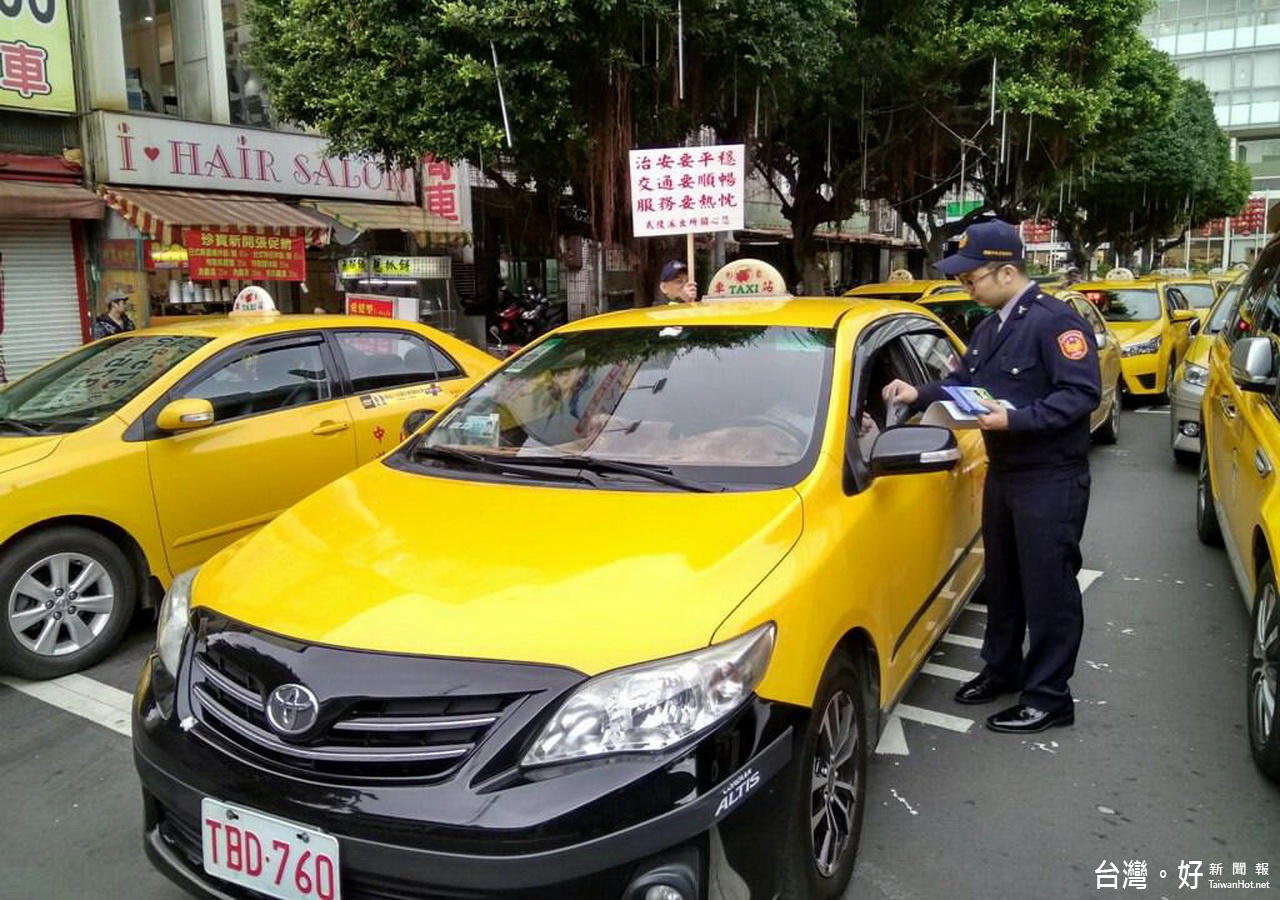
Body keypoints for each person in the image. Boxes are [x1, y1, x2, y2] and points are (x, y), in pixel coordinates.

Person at [881, 218, 1101, 735]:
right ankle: (1002, 668)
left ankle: (1049, 696)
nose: (966, 288)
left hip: (1050, 476)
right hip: (1005, 472)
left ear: (1005, 271)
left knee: (1049, 588)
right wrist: (920, 395)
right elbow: (962, 383)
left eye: (971, 278)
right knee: (1003, 581)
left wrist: (1015, 419)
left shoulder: (1054, 322)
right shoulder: (990, 325)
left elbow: (1081, 396)